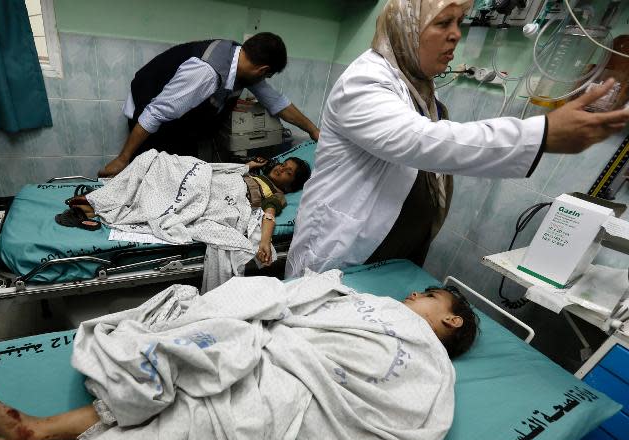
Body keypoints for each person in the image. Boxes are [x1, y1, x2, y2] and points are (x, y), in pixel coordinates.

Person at [0, 282, 478, 440]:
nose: (412, 294)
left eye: (428, 295)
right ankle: (40, 428)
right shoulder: (369, 300)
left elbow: (413, 411)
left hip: (301, 383)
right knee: (184, 366)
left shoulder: (431, 361)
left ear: (451, 318)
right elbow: (301, 295)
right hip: (272, 338)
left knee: (216, 411)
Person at [285, 0, 629, 278]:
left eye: (459, 23)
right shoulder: (363, 83)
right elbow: (420, 141)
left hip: (393, 248)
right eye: (442, 23)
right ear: (405, 28)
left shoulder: (417, 87)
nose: (455, 36)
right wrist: (542, 134)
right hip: (347, 247)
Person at [98, 33, 320, 177]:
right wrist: (122, 159)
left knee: (181, 173)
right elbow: (154, 114)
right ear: (262, 70)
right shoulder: (206, 72)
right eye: (267, 76)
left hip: (177, 120)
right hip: (149, 112)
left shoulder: (240, 58)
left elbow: (277, 102)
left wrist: (313, 130)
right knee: (150, 175)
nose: (263, 82)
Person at [60, 155, 311, 266]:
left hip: (223, 196)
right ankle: (102, 201)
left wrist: (265, 242)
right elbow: (221, 170)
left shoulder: (277, 196)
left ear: (292, 185)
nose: (280, 170)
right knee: (158, 161)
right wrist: (248, 166)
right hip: (207, 178)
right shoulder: (254, 173)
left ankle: (98, 205)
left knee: (166, 196)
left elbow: (268, 215)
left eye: (288, 172)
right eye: (283, 165)